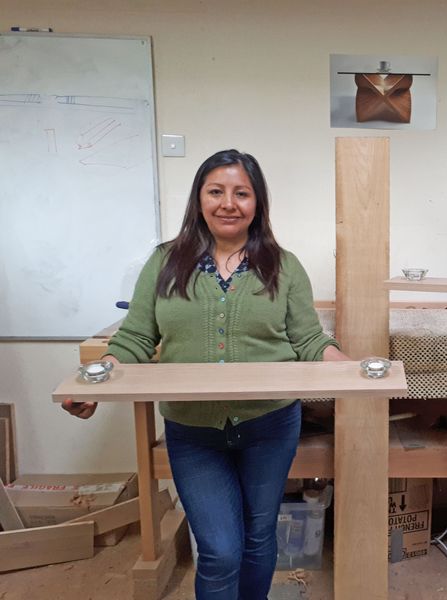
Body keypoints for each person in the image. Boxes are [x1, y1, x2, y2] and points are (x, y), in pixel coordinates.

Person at [63, 149, 348, 600]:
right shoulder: (163, 263)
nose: (228, 203)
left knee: (258, 539)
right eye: (216, 192)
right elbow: (135, 338)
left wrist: (350, 371)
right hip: (193, 431)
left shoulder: (284, 266)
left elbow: (309, 341)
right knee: (218, 550)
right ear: (199, 199)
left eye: (242, 193)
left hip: (270, 425)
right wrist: (96, 382)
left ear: (258, 203)